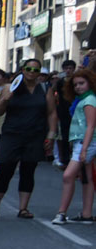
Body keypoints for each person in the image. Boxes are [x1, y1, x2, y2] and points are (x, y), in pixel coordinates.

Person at [0, 60, 50, 220]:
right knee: (6, 169)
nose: (31, 72)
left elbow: (51, 113)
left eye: (35, 70)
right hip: (12, 134)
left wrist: (52, 134)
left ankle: (23, 208)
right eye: (28, 69)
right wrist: (6, 98)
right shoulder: (11, 87)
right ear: (22, 70)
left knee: (28, 170)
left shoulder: (44, 88)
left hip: (35, 135)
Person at [51, 67, 96, 225]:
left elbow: (91, 126)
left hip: (86, 143)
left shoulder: (89, 100)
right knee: (87, 178)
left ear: (90, 83)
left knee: (68, 176)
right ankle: (87, 214)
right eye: (75, 84)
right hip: (83, 142)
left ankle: (62, 213)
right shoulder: (85, 99)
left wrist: (83, 149)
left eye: (82, 83)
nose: (78, 87)